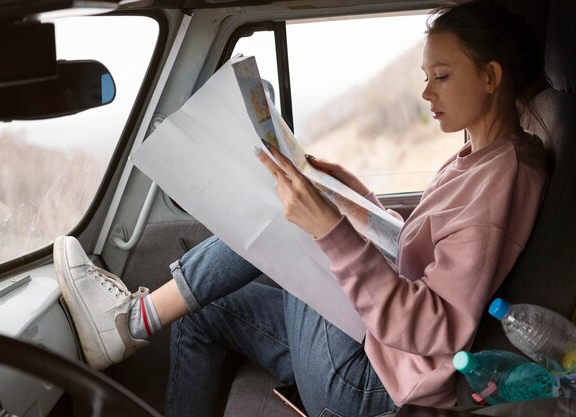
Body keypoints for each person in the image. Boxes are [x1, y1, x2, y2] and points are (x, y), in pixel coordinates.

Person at [53, 1, 550, 415]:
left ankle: (131, 321)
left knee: (288, 215)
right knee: (202, 313)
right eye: (426, 76)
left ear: (490, 76)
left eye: (441, 75)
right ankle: (138, 319)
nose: (426, 91)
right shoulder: (478, 160)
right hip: (377, 349)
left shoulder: (501, 180)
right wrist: (354, 199)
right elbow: (421, 253)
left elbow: (435, 325)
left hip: (374, 385)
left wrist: (331, 231)